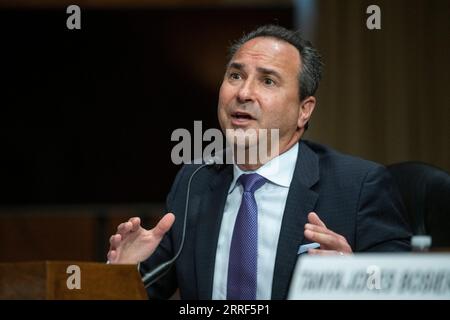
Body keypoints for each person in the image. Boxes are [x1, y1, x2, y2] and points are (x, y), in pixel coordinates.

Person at [107, 25, 411, 300]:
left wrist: (356, 280)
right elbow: (147, 290)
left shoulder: (358, 187)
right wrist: (121, 275)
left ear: (304, 110)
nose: (244, 92)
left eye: (268, 80)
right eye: (235, 76)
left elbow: (407, 292)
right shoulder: (194, 182)